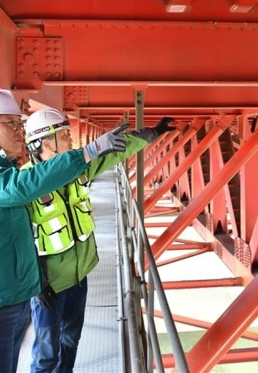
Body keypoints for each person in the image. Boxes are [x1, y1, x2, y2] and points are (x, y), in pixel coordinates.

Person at [0, 89, 129, 373]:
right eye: (11, 124)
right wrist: (87, 152)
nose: (20, 131)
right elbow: (18, 187)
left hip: (13, 299)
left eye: (20, 124)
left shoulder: (3, 168)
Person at [21, 108, 175, 373]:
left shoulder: (78, 167)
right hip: (49, 286)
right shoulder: (23, 183)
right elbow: (17, 240)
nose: (71, 139)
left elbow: (115, 152)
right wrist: (35, 283)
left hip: (80, 276)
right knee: (46, 353)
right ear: (46, 142)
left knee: (71, 341)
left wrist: (152, 133)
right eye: (64, 134)